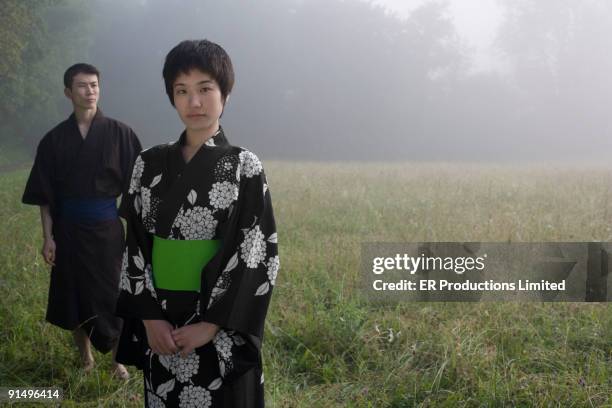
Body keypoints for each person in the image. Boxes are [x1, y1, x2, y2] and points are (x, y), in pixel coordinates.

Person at [115, 39, 279, 407]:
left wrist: (211, 325)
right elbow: (135, 243)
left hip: (219, 324)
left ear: (225, 94)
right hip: (161, 322)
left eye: (205, 89)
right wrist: (148, 318)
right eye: (182, 91)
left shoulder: (244, 165)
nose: (195, 102)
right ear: (171, 97)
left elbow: (256, 250)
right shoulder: (148, 163)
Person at [21, 63, 141, 379]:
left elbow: (138, 188)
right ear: (68, 92)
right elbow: (45, 196)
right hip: (68, 229)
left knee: (113, 293)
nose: (90, 91)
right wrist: (48, 237)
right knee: (72, 294)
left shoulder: (121, 134)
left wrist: (138, 232)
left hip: (107, 230)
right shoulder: (54, 140)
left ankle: (118, 360)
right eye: (82, 86)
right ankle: (85, 358)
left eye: (94, 85)